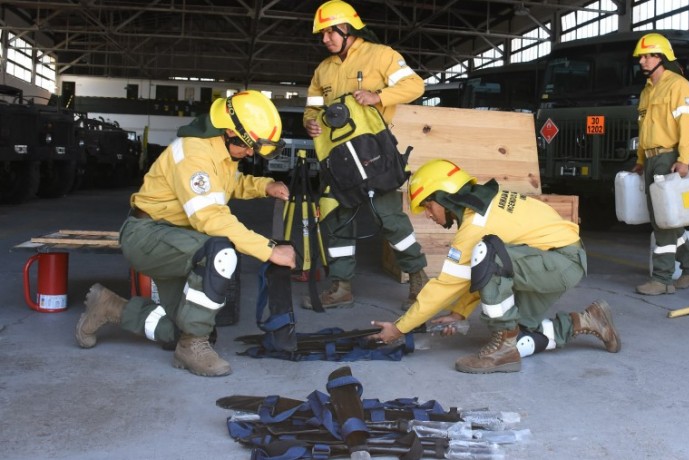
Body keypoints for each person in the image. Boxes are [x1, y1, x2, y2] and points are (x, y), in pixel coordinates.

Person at [75, 90, 297, 377]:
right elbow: (211, 218)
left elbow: (232, 182)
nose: (251, 153)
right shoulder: (194, 153)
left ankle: (108, 307)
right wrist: (270, 249)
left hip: (174, 237)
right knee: (220, 253)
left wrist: (264, 186)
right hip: (147, 235)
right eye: (248, 146)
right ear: (230, 131)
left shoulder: (220, 151)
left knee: (174, 331)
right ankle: (193, 345)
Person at [368, 159, 620, 374]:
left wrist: (400, 328)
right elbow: (474, 274)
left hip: (560, 261)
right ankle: (588, 320)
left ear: (445, 197)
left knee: (485, 252)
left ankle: (503, 349)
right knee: (524, 340)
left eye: (428, 205)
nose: (428, 215)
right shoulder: (484, 205)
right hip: (551, 262)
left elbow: (447, 284)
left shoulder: (476, 223)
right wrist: (459, 313)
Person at [302, 0, 428, 310]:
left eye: (329, 33)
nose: (325, 40)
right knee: (339, 218)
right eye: (322, 35)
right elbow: (314, 106)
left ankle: (418, 280)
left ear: (346, 28)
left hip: (374, 151)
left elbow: (416, 85)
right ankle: (342, 287)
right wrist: (309, 121)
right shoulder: (323, 69)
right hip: (338, 157)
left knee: (390, 219)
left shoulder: (381, 55)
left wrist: (379, 96)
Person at [631, 33, 689, 296]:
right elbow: (644, 129)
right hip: (652, 159)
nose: (642, 61)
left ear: (661, 57)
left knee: (663, 222)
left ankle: (662, 279)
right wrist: (640, 160)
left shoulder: (679, 86)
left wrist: (684, 160)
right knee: (664, 220)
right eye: (641, 56)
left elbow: (688, 128)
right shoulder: (646, 92)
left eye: (648, 55)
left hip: (668, 158)